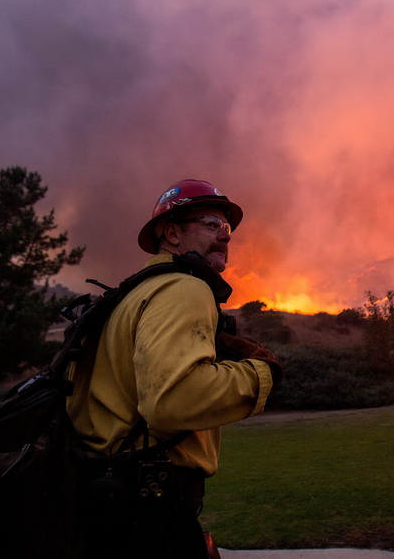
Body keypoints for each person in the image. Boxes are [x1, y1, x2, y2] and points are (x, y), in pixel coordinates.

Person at [67, 179, 282, 559]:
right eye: (211, 225)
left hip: (106, 506)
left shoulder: (130, 295)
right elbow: (172, 398)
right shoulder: (184, 287)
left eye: (226, 228)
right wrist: (262, 374)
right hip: (150, 516)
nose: (225, 237)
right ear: (172, 233)